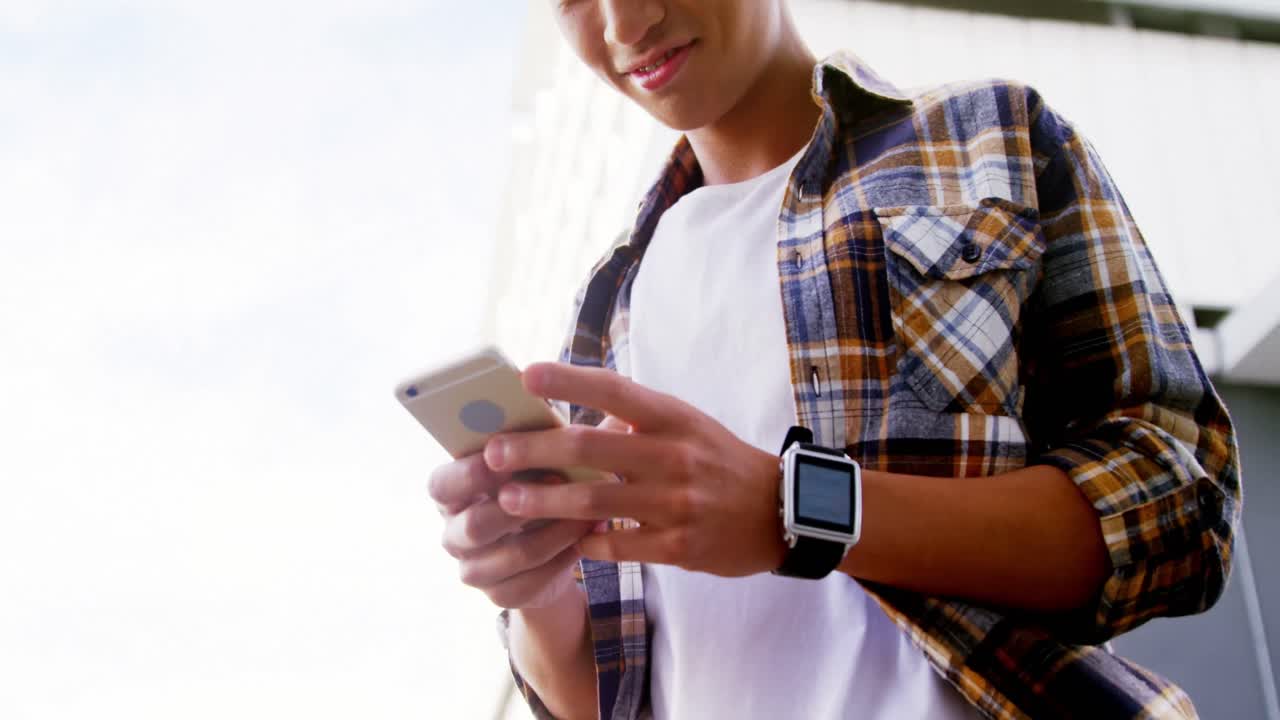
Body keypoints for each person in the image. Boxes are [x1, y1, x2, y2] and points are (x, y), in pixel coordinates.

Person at [427, 1, 1242, 718]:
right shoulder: (609, 306)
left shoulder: (993, 140)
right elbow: (602, 699)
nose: (622, 24)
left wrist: (799, 509)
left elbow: (1180, 507)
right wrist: (533, 590)